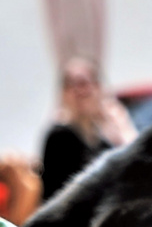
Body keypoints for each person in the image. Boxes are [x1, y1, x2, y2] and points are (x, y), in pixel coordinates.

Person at [40, 57, 138, 200]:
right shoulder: (60, 137)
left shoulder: (104, 140)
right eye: (70, 85)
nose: (78, 91)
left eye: (83, 83)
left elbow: (136, 165)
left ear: (98, 87)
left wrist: (121, 126)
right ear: (63, 94)